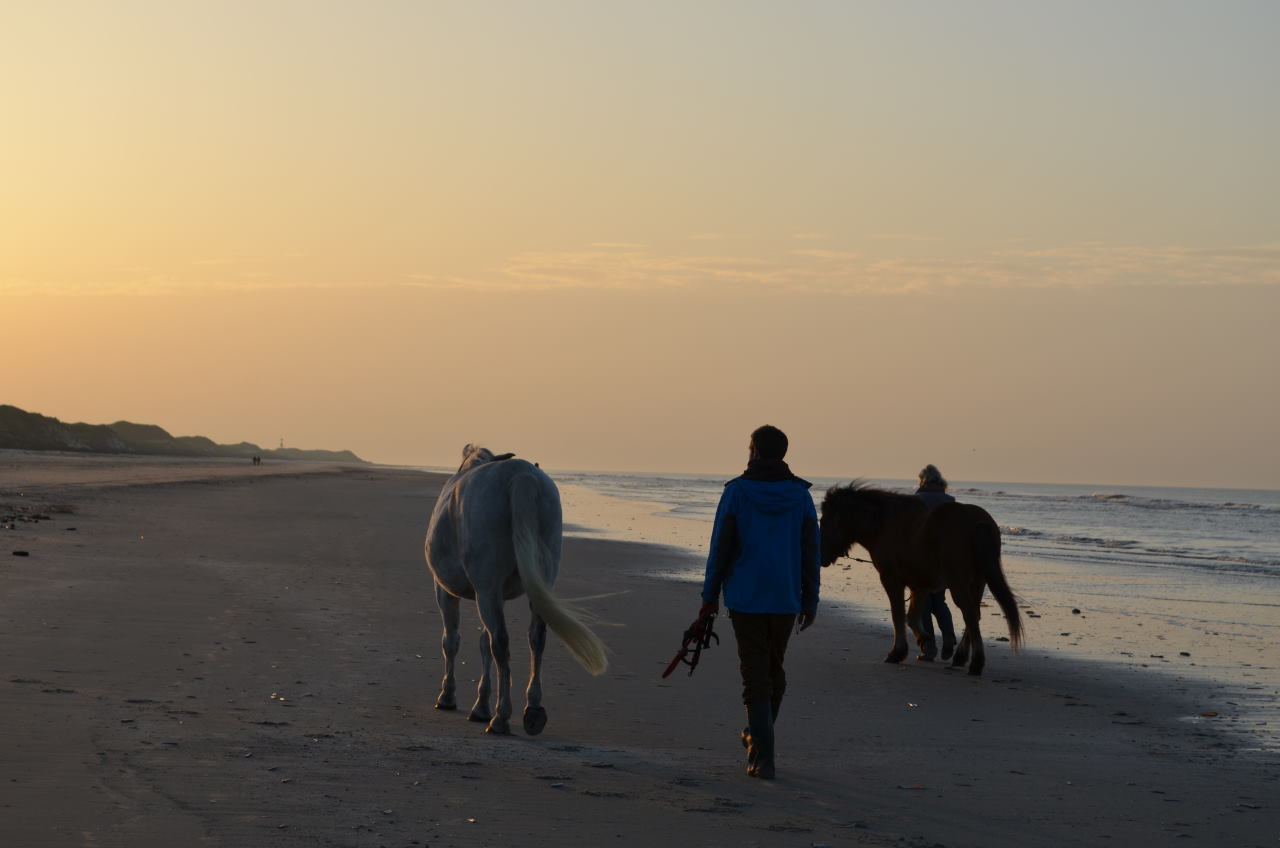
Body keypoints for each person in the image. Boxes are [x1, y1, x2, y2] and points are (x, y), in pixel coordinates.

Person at [700, 425, 820, 780]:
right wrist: (810, 599)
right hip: (785, 596)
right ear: (782, 453)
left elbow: (720, 547)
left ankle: (762, 755)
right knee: (773, 669)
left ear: (754, 451)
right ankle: (758, 738)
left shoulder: (736, 493)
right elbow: (810, 550)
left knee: (755, 672)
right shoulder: (800, 496)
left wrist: (709, 596)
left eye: (749, 446)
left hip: (745, 595)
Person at [915, 464, 957, 660]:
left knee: (922, 604)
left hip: (922, 559)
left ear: (922, 480)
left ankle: (928, 646)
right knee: (939, 601)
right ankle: (949, 637)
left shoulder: (916, 501)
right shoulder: (950, 501)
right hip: (945, 560)